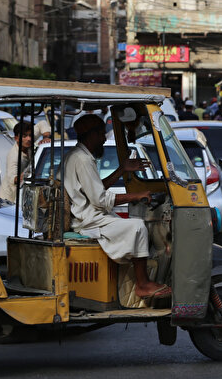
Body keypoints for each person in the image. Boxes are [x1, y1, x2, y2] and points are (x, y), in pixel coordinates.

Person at [64, 114, 171, 299]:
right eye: (101, 135)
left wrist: (122, 170)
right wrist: (136, 196)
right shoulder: (82, 159)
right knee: (137, 226)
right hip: (88, 220)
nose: (104, 139)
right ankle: (143, 284)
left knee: (132, 225)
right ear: (92, 135)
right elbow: (100, 199)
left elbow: (95, 189)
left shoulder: (79, 156)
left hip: (89, 215)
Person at [1, 122, 34, 202]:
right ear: (16, 138)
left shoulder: (28, 145)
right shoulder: (14, 156)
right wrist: (26, 174)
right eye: (24, 136)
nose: (28, 139)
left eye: (30, 135)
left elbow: (41, 124)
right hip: (10, 199)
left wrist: (46, 136)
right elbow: (13, 179)